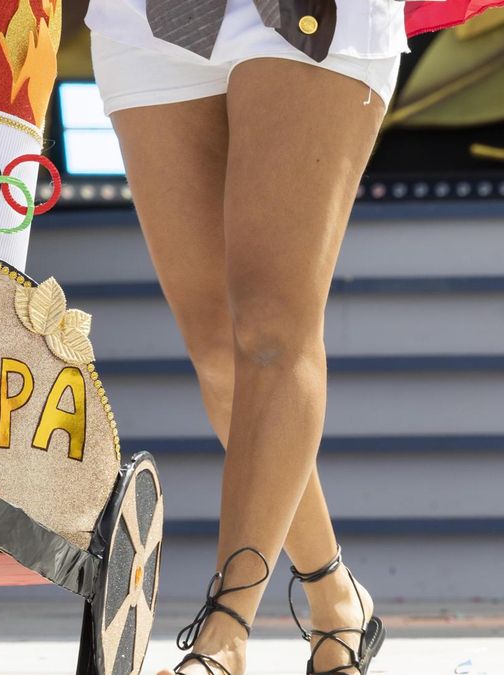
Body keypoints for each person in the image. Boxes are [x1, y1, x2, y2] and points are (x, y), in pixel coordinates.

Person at [85, 2, 404, 674]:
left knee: (270, 328)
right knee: (221, 356)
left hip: (311, 13)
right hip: (150, 18)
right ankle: (335, 596)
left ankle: (224, 633)